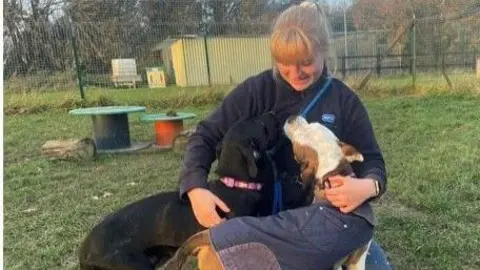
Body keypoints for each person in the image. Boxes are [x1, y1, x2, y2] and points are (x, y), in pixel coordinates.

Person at [178, 1, 391, 269]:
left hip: (318, 220)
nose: (294, 73)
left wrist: (366, 187)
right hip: (256, 216)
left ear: (323, 51)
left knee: (378, 266)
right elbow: (205, 136)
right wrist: (195, 188)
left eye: (306, 63)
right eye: (284, 64)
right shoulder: (257, 90)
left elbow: (373, 162)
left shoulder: (343, 101)